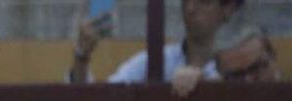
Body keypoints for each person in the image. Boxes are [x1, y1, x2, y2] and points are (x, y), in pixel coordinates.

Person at [68, 0, 234, 91]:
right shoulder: (153, 61)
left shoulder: (241, 67)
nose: (190, 8)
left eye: (203, 1)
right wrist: (81, 56)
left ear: (227, 9)